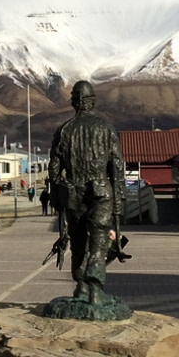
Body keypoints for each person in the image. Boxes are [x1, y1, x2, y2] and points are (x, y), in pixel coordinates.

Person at [47, 80, 126, 306]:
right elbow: (117, 166)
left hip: (73, 192)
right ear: (92, 102)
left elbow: (54, 167)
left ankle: (82, 286)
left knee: (78, 239)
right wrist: (120, 197)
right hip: (101, 191)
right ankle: (94, 286)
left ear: (74, 102)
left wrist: (56, 194)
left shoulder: (64, 130)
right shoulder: (106, 128)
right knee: (99, 238)